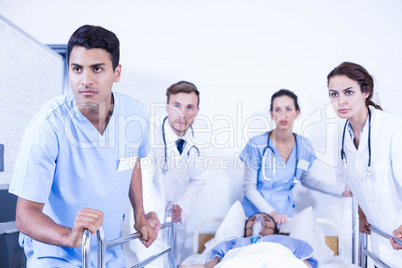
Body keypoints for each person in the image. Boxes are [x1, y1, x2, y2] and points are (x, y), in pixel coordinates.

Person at [8, 25, 159, 267]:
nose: (85, 81)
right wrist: (68, 236)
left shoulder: (135, 116)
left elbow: (132, 161)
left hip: (107, 248)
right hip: (55, 252)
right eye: (77, 69)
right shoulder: (49, 125)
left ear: (116, 73)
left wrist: (140, 216)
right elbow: (25, 216)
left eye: (97, 69)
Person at [327, 62, 402, 265]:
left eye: (348, 92)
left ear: (365, 92)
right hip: (379, 233)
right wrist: (361, 214)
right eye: (334, 94)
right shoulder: (342, 134)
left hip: (398, 230)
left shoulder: (392, 129)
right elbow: (360, 180)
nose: (340, 101)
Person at [240, 89, 351, 224]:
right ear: (272, 114)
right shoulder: (256, 144)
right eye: (278, 110)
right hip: (255, 215)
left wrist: (340, 191)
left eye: (288, 109)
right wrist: (272, 213)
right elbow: (249, 187)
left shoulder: (304, 146)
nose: (283, 115)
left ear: (297, 112)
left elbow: (306, 179)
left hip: (285, 215)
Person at [125, 81, 205, 266]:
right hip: (148, 218)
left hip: (174, 222)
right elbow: (143, 174)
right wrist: (151, 211)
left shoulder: (198, 139)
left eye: (189, 107)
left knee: (173, 262)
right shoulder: (150, 133)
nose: (182, 114)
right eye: (176, 106)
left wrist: (182, 206)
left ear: (197, 111)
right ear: (167, 107)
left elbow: (198, 179)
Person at [179, 213, 317, 268]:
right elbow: (207, 266)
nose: (259, 222)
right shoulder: (233, 242)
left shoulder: (288, 241)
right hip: (240, 258)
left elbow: (303, 264)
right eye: (252, 220)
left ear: (276, 229)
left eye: (267, 219)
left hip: (279, 257)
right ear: (246, 229)